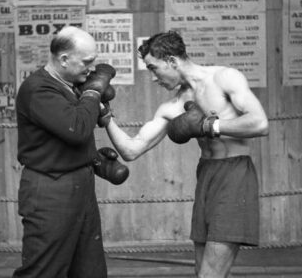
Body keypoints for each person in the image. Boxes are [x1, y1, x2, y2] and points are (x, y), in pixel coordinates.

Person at [102, 31, 269, 278]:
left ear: (172, 60)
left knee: (210, 274)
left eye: (153, 68)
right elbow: (131, 150)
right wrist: (105, 116)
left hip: (234, 174)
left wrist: (209, 126)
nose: (152, 77)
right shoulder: (172, 107)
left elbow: (260, 123)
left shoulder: (224, 78)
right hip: (206, 175)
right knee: (203, 271)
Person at [13, 26, 128, 278]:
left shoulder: (70, 85)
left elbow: (71, 138)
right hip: (50, 190)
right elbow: (76, 128)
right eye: (87, 62)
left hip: (81, 186)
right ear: (64, 59)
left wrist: (93, 159)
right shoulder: (38, 89)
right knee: (44, 271)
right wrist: (93, 91)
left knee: (90, 270)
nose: (91, 68)